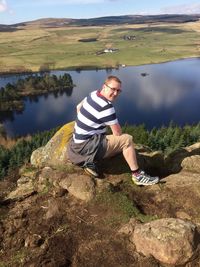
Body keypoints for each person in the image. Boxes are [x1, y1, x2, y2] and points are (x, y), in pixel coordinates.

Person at [67, 75, 159, 186]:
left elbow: (78, 107)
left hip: (76, 144)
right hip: (87, 146)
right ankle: (137, 175)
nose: (115, 93)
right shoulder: (106, 107)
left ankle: (89, 159)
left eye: (118, 91)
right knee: (127, 140)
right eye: (113, 89)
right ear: (104, 86)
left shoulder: (93, 94)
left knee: (109, 137)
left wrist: (88, 125)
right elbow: (117, 133)